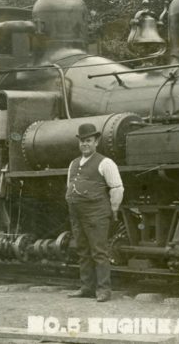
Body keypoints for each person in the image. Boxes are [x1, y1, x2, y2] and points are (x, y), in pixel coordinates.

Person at [66, 123, 124, 303]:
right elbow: (69, 185)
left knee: (99, 251)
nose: (85, 144)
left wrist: (114, 209)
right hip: (77, 214)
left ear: (96, 142)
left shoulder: (106, 163)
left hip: (96, 213)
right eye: (82, 141)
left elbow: (117, 188)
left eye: (88, 141)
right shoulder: (74, 163)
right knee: (82, 250)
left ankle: (104, 290)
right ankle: (87, 288)